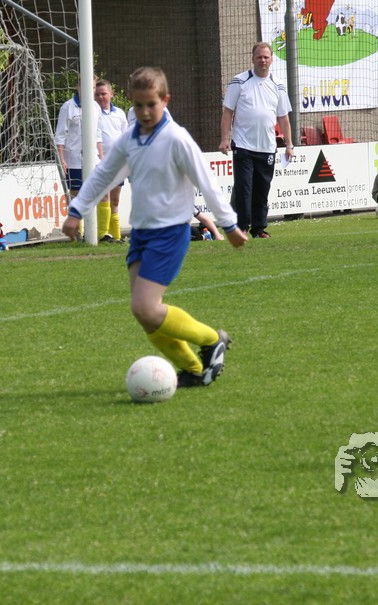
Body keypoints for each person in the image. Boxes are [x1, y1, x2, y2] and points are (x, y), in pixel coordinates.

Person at [62, 67, 248, 388]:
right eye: (138, 105)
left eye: (152, 104)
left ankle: (211, 339)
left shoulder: (176, 138)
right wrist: (76, 210)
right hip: (142, 234)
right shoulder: (129, 139)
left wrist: (228, 223)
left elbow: (206, 181)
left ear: (165, 100)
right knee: (144, 315)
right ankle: (193, 369)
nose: (145, 112)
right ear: (130, 103)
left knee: (145, 306)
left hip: (171, 233)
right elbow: (104, 174)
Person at [219, 42, 294, 239]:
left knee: (262, 190)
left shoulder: (278, 85)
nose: (263, 60)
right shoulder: (239, 81)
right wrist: (224, 139)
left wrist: (289, 145)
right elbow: (228, 112)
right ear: (252, 59)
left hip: (267, 147)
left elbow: (283, 118)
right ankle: (242, 227)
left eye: (266, 57)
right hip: (243, 145)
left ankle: (259, 229)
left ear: (271, 60)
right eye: (259, 57)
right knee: (244, 188)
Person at [93, 78, 129, 243]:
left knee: (115, 200)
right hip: (100, 163)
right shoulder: (93, 113)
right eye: (97, 94)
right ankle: (102, 234)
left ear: (111, 94)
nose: (100, 97)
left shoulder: (119, 113)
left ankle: (116, 236)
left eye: (103, 94)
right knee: (104, 197)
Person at [54, 89, 85, 201]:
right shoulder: (67, 106)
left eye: (94, 87)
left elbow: (98, 133)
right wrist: (61, 159)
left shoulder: (95, 107)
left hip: (92, 159)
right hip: (74, 160)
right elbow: (60, 135)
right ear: (78, 87)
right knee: (76, 195)